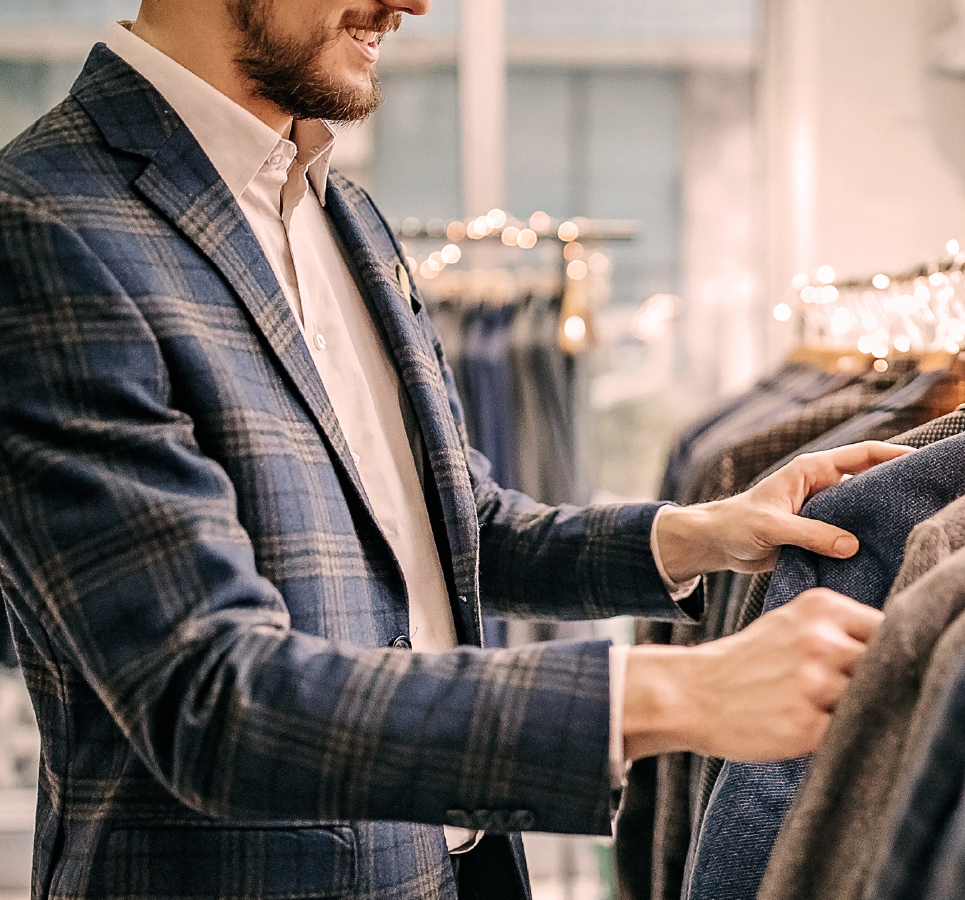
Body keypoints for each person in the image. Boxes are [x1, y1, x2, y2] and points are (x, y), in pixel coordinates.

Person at [0, 0, 907, 896]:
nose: (411, 3)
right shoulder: (45, 223)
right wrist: (678, 694)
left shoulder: (339, 213)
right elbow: (206, 696)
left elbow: (455, 531)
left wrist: (699, 534)